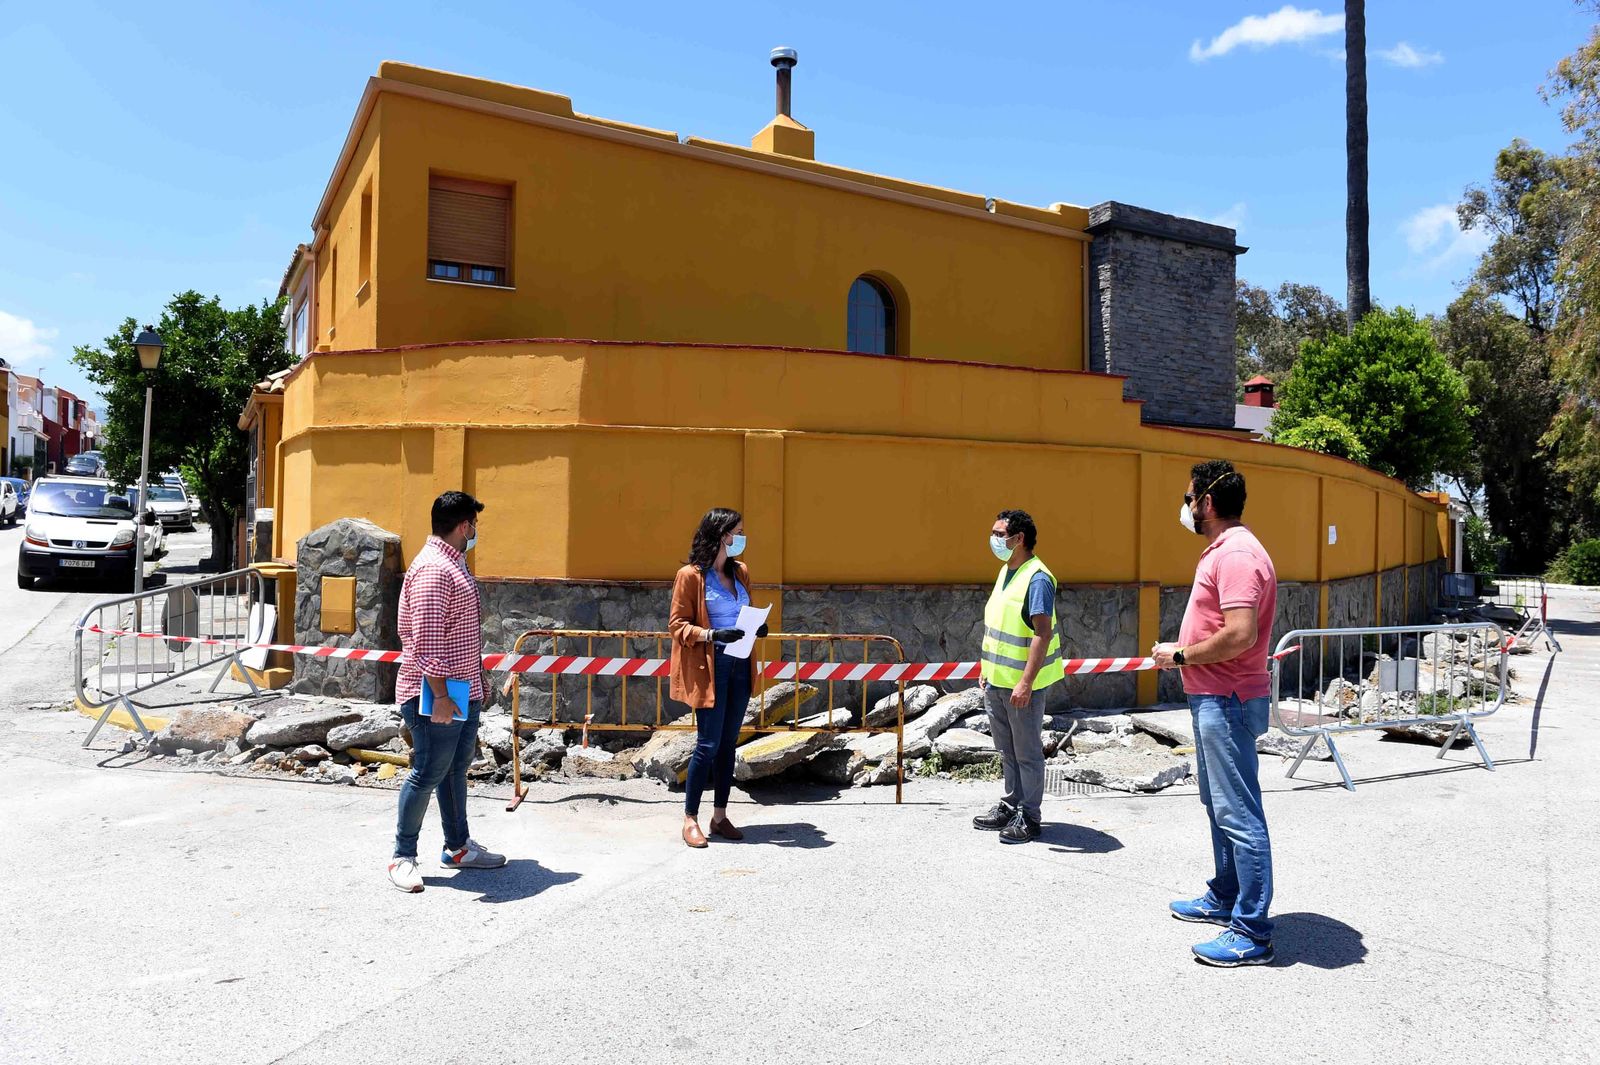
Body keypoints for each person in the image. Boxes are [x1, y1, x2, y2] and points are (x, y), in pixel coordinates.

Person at [1152, 460, 1279, 967]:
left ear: (1206, 502)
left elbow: (1241, 633)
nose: (1185, 506)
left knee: (1238, 812)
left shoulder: (1238, 555)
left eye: (1189, 498)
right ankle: (1225, 896)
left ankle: (1252, 930)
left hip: (1227, 699)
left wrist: (1180, 655)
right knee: (1217, 803)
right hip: (1215, 697)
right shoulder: (1226, 551)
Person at [387, 490, 508, 893]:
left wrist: (477, 680)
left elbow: (458, 635)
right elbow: (426, 640)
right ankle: (402, 856)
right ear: (463, 526)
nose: (476, 531)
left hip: (460, 687)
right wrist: (439, 695)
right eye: (474, 523)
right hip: (434, 692)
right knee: (427, 771)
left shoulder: (453, 563)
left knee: (454, 770)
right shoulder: (436, 570)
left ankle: (457, 847)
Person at [668, 507, 767, 849]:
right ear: (721, 534)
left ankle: (720, 816)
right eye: (737, 531)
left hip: (740, 664)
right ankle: (690, 819)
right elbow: (677, 625)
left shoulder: (741, 572)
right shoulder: (690, 576)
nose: (742, 537)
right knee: (708, 744)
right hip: (710, 666)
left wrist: (757, 627)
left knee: (728, 744)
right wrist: (712, 635)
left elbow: (745, 612)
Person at [971, 508, 1065, 844]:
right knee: (1007, 750)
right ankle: (1011, 804)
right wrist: (987, 671)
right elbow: (999, 629)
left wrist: (1025, 682)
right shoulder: (1006, 571)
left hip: (1022, 685)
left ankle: (1031, 815)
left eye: (999, 534)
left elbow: (1042, 632)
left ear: (1019, 538)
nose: (994, 539)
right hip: (997, 681)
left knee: (1027, 752)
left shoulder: (1037, 578)